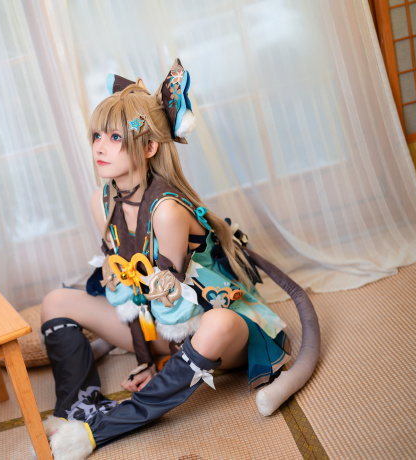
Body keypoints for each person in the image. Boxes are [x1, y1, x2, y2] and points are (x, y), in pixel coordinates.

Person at [39, 59, 290, 460]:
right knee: (55, 301)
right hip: (156, 328)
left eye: (115, 137)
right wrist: (144, 358)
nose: (100, 146)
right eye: (97, 135)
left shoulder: (167, 211)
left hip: (210, 332)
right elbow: (130, 292)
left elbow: (172, 303)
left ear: (149, 147)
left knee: (219, 322)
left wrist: (155, 358)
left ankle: (103, 427)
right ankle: (79, 408)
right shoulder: (100, 201)